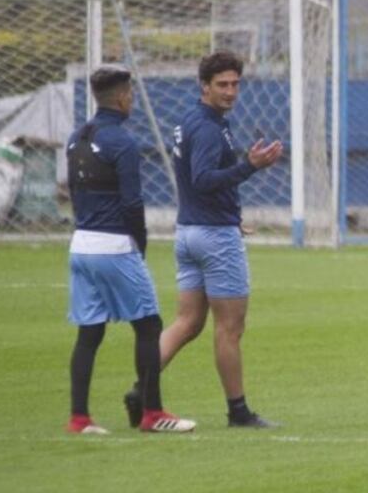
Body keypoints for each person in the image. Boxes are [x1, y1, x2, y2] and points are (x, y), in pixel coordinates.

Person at [125, 51, 283, 429]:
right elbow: (203, 179)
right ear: (204, 86)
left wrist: (231, 215)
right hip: (213, 237)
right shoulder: (210, 128)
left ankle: (139, 389)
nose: (231, 91)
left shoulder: (193, 120)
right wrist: (250, 166)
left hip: (190, 232)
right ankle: (238, 412)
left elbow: (202, 184)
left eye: (235, 84)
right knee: (229, 329)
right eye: (222, 85)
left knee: (187, 322)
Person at [66, 67, 195, 434]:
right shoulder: (122, 142)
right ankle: (152, 413)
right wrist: (139, 243)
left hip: (81, 245)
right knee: (149, 324)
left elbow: (74, 193)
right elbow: (132, 203)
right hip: (113, 245)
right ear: (123, 98)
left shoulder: (76, 138)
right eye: (132, 95)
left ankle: (79, 417)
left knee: (89, 332)